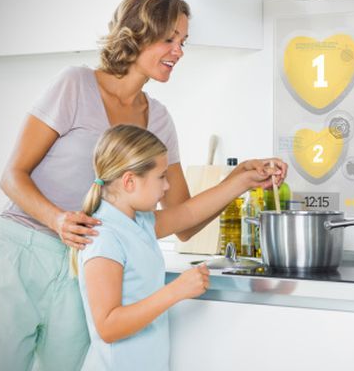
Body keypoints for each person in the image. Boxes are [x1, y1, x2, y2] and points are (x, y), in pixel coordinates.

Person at [0, 0, 287, 371]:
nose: (179, 51)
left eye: (182, 41)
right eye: (169, 39)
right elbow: (12, 175)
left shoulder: (160, 120)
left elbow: (179, 219)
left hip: (84, 264)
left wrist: (238, 180)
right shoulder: (74, 85)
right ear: (137, 33)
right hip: (23, 251)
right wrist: (58, 219)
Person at [73, 124, 280, 370]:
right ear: (129, 182)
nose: (167, 187)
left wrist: (245, 179)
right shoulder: (103, 236)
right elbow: (108, 326)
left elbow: (189, 212)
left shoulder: (139, 222)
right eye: (161, 177)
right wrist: (176, 290)